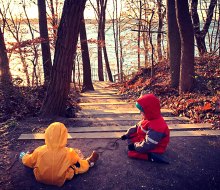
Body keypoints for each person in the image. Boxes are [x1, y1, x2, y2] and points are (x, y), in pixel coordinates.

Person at [19, 122, 99, 187]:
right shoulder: (69, 152)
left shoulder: (40, 150)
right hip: (61, 179)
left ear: (47, 135)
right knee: (76, 166)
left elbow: (28, 161)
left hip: (40, 177)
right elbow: (78, 163)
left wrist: (25, 156)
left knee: (34, 160)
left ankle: (28, 155)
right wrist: (84, 163)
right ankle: (89, 162)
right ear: (64, 136)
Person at [121, 94, 170, 163]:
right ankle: (138, 145)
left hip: (154, 146)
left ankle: (151, 156)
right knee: (131, 138)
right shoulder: (149, 117)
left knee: (131, 152)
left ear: (149, 110)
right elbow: (137, 126)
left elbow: (149, 144)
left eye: (142, 111)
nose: (140, 112)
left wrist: (135, 146)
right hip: (146, 137)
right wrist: (127, 134)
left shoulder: (158, 126)